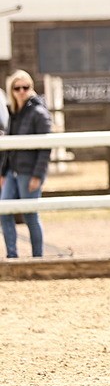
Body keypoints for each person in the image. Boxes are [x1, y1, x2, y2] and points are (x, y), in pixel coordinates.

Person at [1, 70, 52, 258]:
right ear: (12, 90)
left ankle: (37, 257)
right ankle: (12, 256)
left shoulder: (38, 112)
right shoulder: (14, 113)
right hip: (12, 172)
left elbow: (46, 147)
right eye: (17, 88)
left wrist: (38, 175)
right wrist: (3, 172)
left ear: (31, 88)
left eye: (26, 87)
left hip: (28, 172)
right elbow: (10, 147)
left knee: (30, 215)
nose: (22, 91)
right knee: (4, 212)